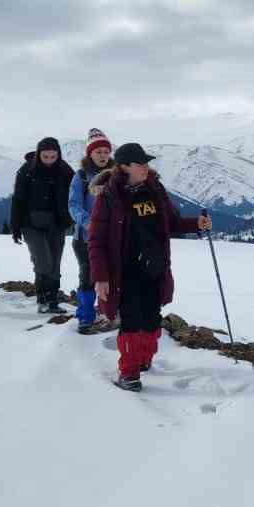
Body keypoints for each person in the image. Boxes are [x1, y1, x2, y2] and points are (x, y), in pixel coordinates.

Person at [87, 142, 210, 390]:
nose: (145, 167)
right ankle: (129, 372)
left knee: (152, 318)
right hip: (125, 272)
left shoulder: (155, 189)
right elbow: (96, 241)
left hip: (155, 268)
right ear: (124, 167)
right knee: (132, 320)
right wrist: (100, 277)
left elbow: (171, 223)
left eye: (146, 163)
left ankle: (142, 358)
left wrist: (196, 224)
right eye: (140, 163)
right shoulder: (109, 197)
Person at [11, 136, 76, 313]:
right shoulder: (26, 170)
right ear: (39, 154)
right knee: (43, 261)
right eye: (45, 156)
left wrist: (71, 218)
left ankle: (53, 300)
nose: (49, 160)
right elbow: (18, 199)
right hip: (31, 224)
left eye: (52, 157)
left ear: (58, 155)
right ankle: (42, 298)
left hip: (57, 223)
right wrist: (15, 226)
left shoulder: (66, 171)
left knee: (55, 263)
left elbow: (75, 196)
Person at [68, 128, 113, 333]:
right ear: (90, 154)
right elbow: (73, 205)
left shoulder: (115, 175)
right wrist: (89, 222)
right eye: (98, 152)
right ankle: (85, 316)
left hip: (111, 237)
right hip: (85, 238)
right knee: (88, 275)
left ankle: (108, 312)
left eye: (106, 151)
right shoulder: (81, 177)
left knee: (111, 274)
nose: (103, 156)